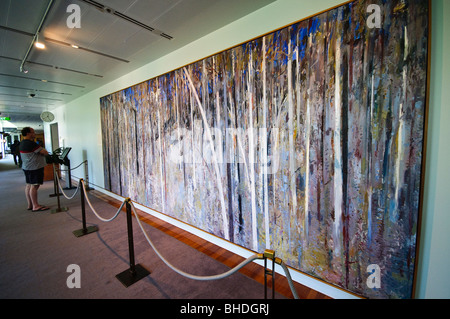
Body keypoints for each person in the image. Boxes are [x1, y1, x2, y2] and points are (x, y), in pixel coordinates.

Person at [19, 127, 50, 212]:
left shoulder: (22, 143)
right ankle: (35, 206)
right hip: (34, 168)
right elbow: (45, 152)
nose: (34, 133)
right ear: (28, 133)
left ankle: (30, 204)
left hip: (27, 167)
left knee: (29, 185)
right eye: (33, 132)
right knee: (34, 186)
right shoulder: (31, 143)